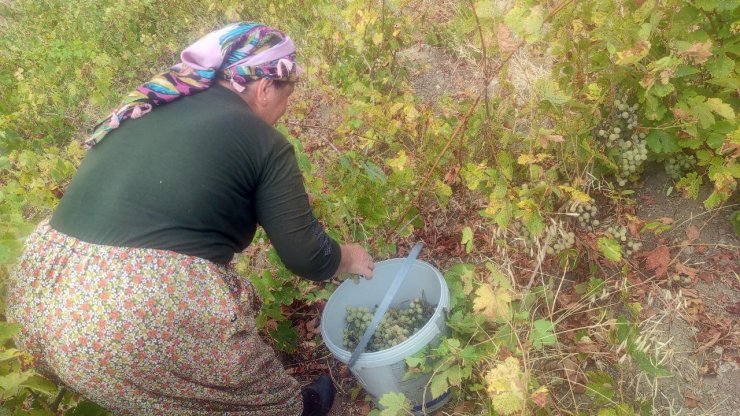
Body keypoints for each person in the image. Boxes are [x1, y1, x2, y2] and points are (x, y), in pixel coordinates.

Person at [6, 22, 374, 416]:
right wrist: (348, 257)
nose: (284, 113)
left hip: (40, 300)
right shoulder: (262, 140)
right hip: (132, 310)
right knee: (262, 402)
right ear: (265, 88)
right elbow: (307, 256)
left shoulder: (146, 108)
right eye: (287, 99)